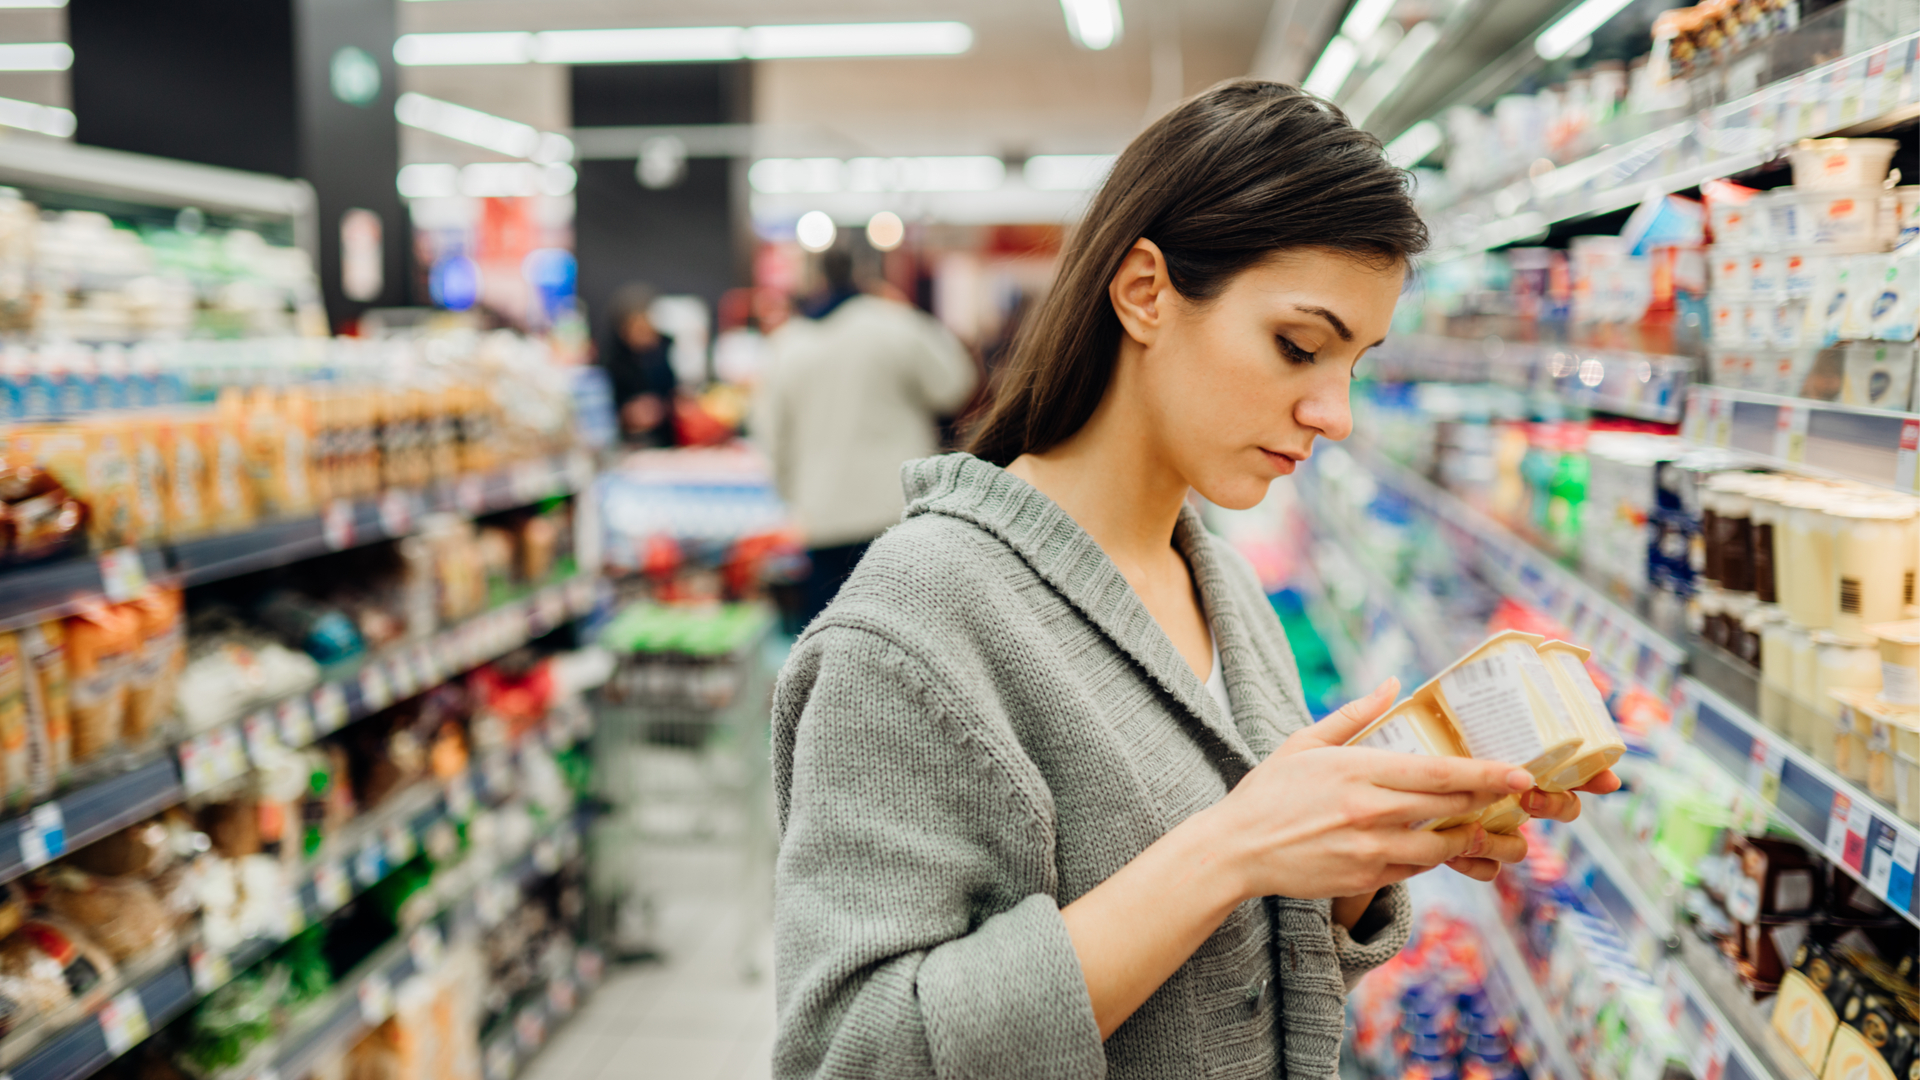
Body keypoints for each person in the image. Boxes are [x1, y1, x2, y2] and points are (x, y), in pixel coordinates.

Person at [771, 81, 1621, 1080]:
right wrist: (1233, 848)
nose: (1334, 413)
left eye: (1354, 362)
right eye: (1299, 347)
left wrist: (1361, 854)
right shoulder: (915, 623)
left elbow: (1223, 993)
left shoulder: (1217, 581)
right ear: (1144, 293)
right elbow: (853, 1056)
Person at [753, 248, 977, 626]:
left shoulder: (787, 346)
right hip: (898, 511)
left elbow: (771, 438)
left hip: (823, 517)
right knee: (908, 640)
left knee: (830, 645)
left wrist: (794, 497)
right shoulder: (895, 326)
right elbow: (955, 383)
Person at [598, 282, 678, 447]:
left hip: (665, 442)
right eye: (637, 328)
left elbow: (675, 395)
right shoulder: (611, 363)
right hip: (625, 444)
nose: (644, 335)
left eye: (647, 327)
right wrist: (626, 416)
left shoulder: (666, 354)